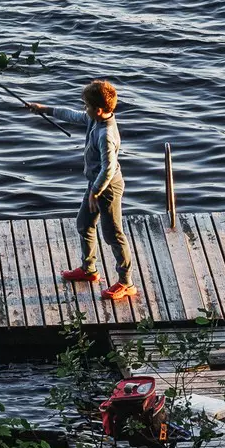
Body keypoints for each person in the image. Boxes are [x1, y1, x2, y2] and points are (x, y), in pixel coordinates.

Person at [28, 80, 136, 302]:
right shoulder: (94, 119)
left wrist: (95, 192)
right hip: (94, 185)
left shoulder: (105, 135)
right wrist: (44, 109)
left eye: (86, 106)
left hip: (107, 189)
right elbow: (72, 115)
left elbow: (108, 168)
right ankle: (89, 270)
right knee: (84, 224)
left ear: (98, 110)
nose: (83, 110)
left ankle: (126, 283)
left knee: (113, 235)